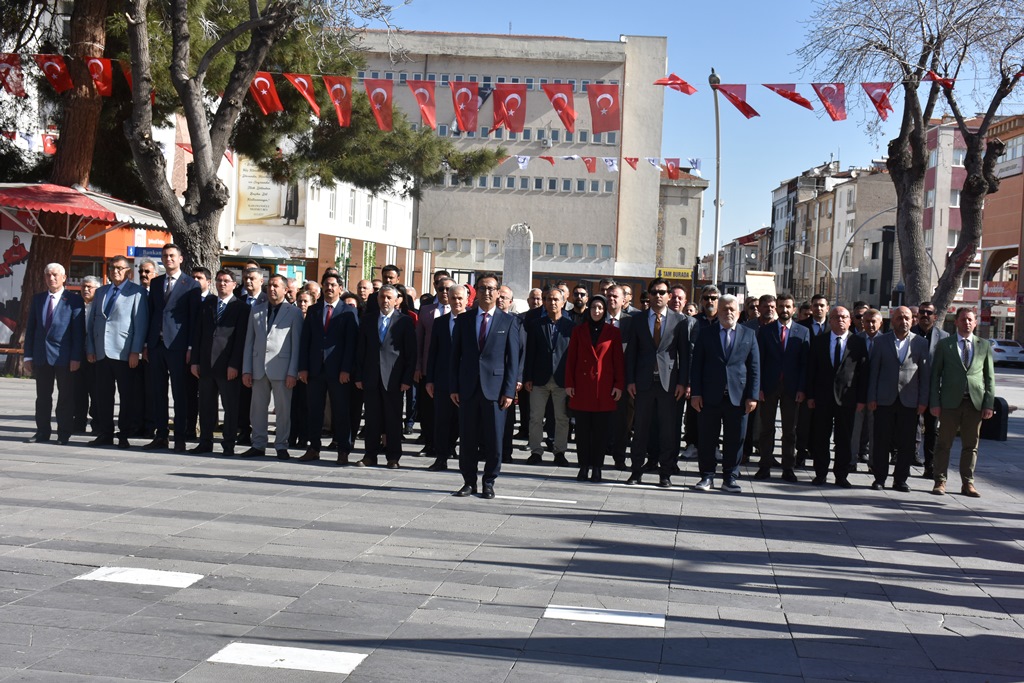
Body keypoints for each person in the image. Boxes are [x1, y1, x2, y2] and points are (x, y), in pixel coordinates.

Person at [450, 273, 521, 500]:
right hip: (468, 388)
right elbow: (455, 357)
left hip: (496, 390)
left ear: (498, 292)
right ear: (476, 292)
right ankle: (468, 481)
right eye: (482, 288)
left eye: (491, 288)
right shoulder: (464, 320)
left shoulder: (509, 321)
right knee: (467, 438)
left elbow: (513, 360)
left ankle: (489, 481)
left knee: (494, 439)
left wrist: (509, 391)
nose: (487, 292)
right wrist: (454, 387)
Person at [690, 294, 760, 493]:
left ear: (738, 312)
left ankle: (730, 477)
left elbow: (754, 367)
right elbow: (697, 366)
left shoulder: (749, 334)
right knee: (707, 438)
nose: (728, 312)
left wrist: (752, 396)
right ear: (717, 311)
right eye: (724, 309)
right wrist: (696, 393)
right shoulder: (706, 333)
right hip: (709, 396)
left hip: (738, 398)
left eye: (732, 309)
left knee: (735, 439)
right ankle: (707, 476)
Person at [624, 278, 689, 487]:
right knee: (640, 429)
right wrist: (630, 380)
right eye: (654, 292)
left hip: (668, 384)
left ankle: (665, 473)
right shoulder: (638, 320)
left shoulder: (680, 321)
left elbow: (684, 355)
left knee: (667, 431)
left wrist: (682, 383)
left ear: (669, 296)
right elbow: (631, 353)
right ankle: (636, 471)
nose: (658, 296)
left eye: (662, 292)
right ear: (649, 295)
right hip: (643, 383)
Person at [929, 308, 995, 497]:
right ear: (956, 322)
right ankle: (940, 480)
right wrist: (935, 402)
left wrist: (988, 404)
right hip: (949, 403)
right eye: (963, 319)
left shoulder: (983, 345)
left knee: (971, 445)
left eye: (970, 320)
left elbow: (989, 377)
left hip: (974, 403)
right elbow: (935, 376)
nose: (967, 323)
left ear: (975, 323)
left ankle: (968, 483)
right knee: (943, 444)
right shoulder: (945, 345)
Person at [86, 256, 148, 449]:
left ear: (128, 271)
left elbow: (140, 324)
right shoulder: (101, 292)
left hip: (124, 353)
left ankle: (124, 434)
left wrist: (135, 351)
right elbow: (92, 322)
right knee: (103, 396)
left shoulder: (136, 292)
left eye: (120, 268)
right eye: (112, 268)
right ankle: (105, 433)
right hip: (101, 352)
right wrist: (91, 348)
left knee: (127, 396)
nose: (115, 271)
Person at [867, 306, 930, 492]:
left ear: (913, 320)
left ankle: (900, 479)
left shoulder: (920, 343)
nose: (904, 321)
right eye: (900, 318)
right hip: (884, 400)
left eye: (907, 318)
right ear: (892, 320)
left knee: (907, 442)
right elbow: (874, 372)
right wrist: (872, 396)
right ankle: (879, 478)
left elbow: (925, 375)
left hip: (909, 401)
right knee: (881, 441)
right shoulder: (881, 342)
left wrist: (923, 401)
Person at [298, 273, 359, 464]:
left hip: (339, 370)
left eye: (333, 285)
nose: (329, 288)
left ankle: (343, 449)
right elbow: (305, 340)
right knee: (314, 410)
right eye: (326, 284)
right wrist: (303, 367)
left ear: (340, 288)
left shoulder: (348, 311)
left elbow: (351, 343)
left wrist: (346, 369)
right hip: (315, 369)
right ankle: (313, 448)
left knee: (341, 411)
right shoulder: (314, 310)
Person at [354, 285, 416, 468]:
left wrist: (407, 379)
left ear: (397, 300)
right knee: (372, 419)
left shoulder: (404, 321)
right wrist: (359, 375)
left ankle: (393, 457)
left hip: (394, 379)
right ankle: (370, 455)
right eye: (382, 297)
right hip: (371, 377)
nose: (385, 301)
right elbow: (360, 349)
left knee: (393, 419)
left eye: (389, 297)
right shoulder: (368, 320)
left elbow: (411, 353)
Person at [806, 307, 869, 487]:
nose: (840, 320)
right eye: (836, 317)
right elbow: (811, 370)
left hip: (847, 398)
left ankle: (841, 475)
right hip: (822, 398)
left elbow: (863, 373)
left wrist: (861, 399)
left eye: (844, 317)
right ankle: (820, 473)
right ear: (830, 320)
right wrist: (810, 395)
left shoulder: (857, 342)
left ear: (850, 321)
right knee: (821, 437)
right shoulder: (819, 341)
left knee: (844, 439)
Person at [23, 263, 85, 444]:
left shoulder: (74, 300)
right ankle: (42, 432)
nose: (51, 278)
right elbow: (31, 329)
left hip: (64, 357)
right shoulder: (38, 299)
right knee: (43, 397)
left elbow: (78, 333)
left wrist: (76, 357)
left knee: (65, 397)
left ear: (64, 278)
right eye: (48, 275)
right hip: (42, 356)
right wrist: (28, 356)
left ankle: (64, 433)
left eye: (55, 275)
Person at [144, 243, 198, 452]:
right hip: (156, 345)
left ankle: (180, 437)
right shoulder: (156, 283)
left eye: (172, 256)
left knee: (179, 393)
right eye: (165, 256)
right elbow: (151, 313)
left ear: (180, 259)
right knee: (158, 392)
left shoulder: (190, 284)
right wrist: (147, 344)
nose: (168, 259)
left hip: (178, 346)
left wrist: (191, 347)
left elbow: (193, 318)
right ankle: (161, 435)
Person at [243, 274, 304, 459]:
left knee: (283, 410)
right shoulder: (256, 310)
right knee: (257, 409)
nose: (272, 289)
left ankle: (281, 445)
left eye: (276, 286)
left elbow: (296, 345)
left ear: (285, 290)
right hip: (258, 367)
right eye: (269, 285)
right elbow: (249, 342)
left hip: (282, 369)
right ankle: (258, 444)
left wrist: (293, 371)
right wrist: (247, 369)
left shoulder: (294, 312)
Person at [189, 269, 248, 456]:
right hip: (206, 364)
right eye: (219, 280)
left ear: (234, 284)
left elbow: (240, 339)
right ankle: (205, 442)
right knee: (206, 406)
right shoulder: (207, 304)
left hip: (227, 365)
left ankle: (228, 444)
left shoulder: (241, 308)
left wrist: (235, 364)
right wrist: (195, 361)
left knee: (230, 407)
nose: (222, 284)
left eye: (226, 281)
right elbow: (198, 334)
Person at [565, 294, 623, 482]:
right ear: (588, 310)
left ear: (605, 311)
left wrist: (618, 385)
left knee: (600, 432)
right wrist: (569, 383)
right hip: (582, 387)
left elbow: (618, 361)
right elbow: (571, 359)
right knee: (582, 432)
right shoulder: (578, 331)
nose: (596, 311)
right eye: (593, 307)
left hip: (604, 388)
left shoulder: (613, 332)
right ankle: (583, 467)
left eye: (600, 308)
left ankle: (597, 467)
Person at [754, 292, 809, 483]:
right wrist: (759, 387)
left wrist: (801, 388)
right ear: (776, 308)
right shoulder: (766, 331)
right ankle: (765, 466)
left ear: (794, 309)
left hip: (792, 388)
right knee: (766, 429)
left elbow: (804, 364)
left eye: (788, 306)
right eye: (781, 306)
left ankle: (788, 468)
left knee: (789, 431)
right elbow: (758, 361)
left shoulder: (803, 332)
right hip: (769, 386)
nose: (784, 310)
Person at [524, 286, 575, 466]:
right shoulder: (536, 325)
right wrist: (528, 377)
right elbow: (530, 352)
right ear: (544, 302)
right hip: (539, 379)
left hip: (562, 380)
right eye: (548, 299)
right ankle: (536, 451)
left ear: (563, 302)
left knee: (562, 418)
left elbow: (573, 356)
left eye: (555, 299)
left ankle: (559, 452)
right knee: (536, 418)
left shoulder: (571, 327)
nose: (552, 302)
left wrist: (572, 381)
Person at [425, 284, 468, 471]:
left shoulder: (473, 320)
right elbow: (433, 352)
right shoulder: (440, 322)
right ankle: (441, 457)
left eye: (460, 298)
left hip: (466, 380)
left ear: (466, 300)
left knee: (463, 422)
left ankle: (462, 459)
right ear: (448, 300)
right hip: (443, 379)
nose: (457, 301)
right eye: (453, 298)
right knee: (441, 421)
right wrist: (430, 379)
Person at [415, 277, 453, 460]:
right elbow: (419, 341)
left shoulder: (465, 311)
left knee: (452, 412)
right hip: (429, 368)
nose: (444, 292)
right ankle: (430, 443)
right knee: (428, 410)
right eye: (441, 289)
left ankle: (450, 446)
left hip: (453, 369)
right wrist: (417, 366)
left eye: (448, 289)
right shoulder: (426, 310)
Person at [912, 301, 949, 479]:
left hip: (934, 391)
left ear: (935, 316)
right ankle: (905, 460)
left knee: (932, 430)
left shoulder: (944, 336)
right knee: (908, 427)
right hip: (911, 389)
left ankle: (930, 465)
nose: (925, 315)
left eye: (929, 312)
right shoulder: (909, 333)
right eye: (922, 312)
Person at [853, 308, 884, 468]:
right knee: (855, 429)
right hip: (857, 392)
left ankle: (873, 463)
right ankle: (851, 461)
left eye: (873, 322)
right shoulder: (855, 340)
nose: (870, 325)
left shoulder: (886, 341)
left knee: (875, 431)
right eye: (867, 321)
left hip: (878, 394)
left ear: (881, 323)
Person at [74, 275, 101, 433]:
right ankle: (79, 422)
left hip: (96, 355)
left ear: (97, 289)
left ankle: (97, 424)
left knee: (96, 391)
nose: (85, 289)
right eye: (83, 286)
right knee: (78, 391)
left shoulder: (100, 305)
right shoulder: (76, 305)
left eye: (89, 287)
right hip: (78, 354)